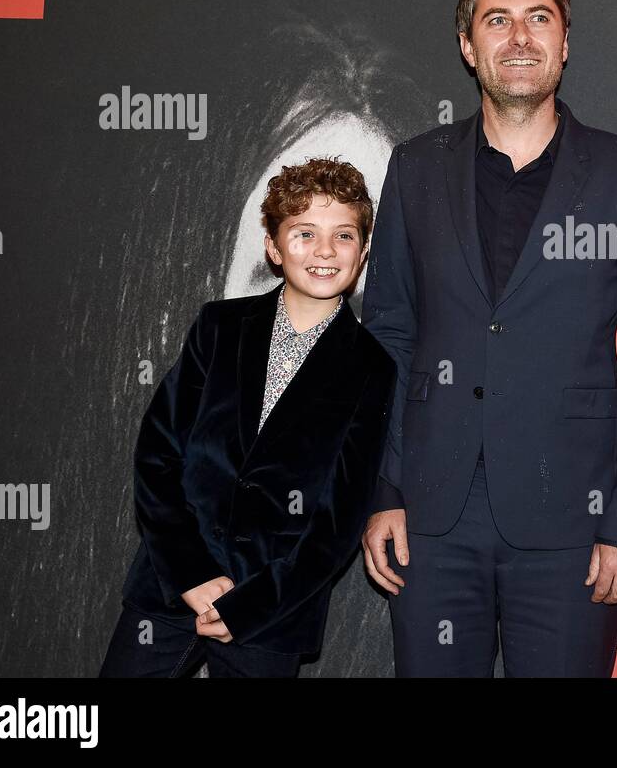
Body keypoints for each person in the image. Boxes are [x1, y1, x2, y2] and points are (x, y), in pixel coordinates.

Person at [360, 0, 617, 677]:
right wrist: (382, 490)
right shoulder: (417, 169)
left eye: (539, 19)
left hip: (573, 522)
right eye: (497, 19)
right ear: (468, 46)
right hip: (433, 522)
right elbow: (390, 334)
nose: (519, 37)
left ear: (565, 43)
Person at [100, 158, 396, 677]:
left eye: (342, 236)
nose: (324, 251)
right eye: (304, 233)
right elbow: (157, 455)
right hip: (171, 587)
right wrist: (190, 572)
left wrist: (254, 604)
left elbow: (338, 520)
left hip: (270, 613)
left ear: (364, 250)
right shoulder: (219, 328)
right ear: (274, 248)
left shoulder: (371, 368)